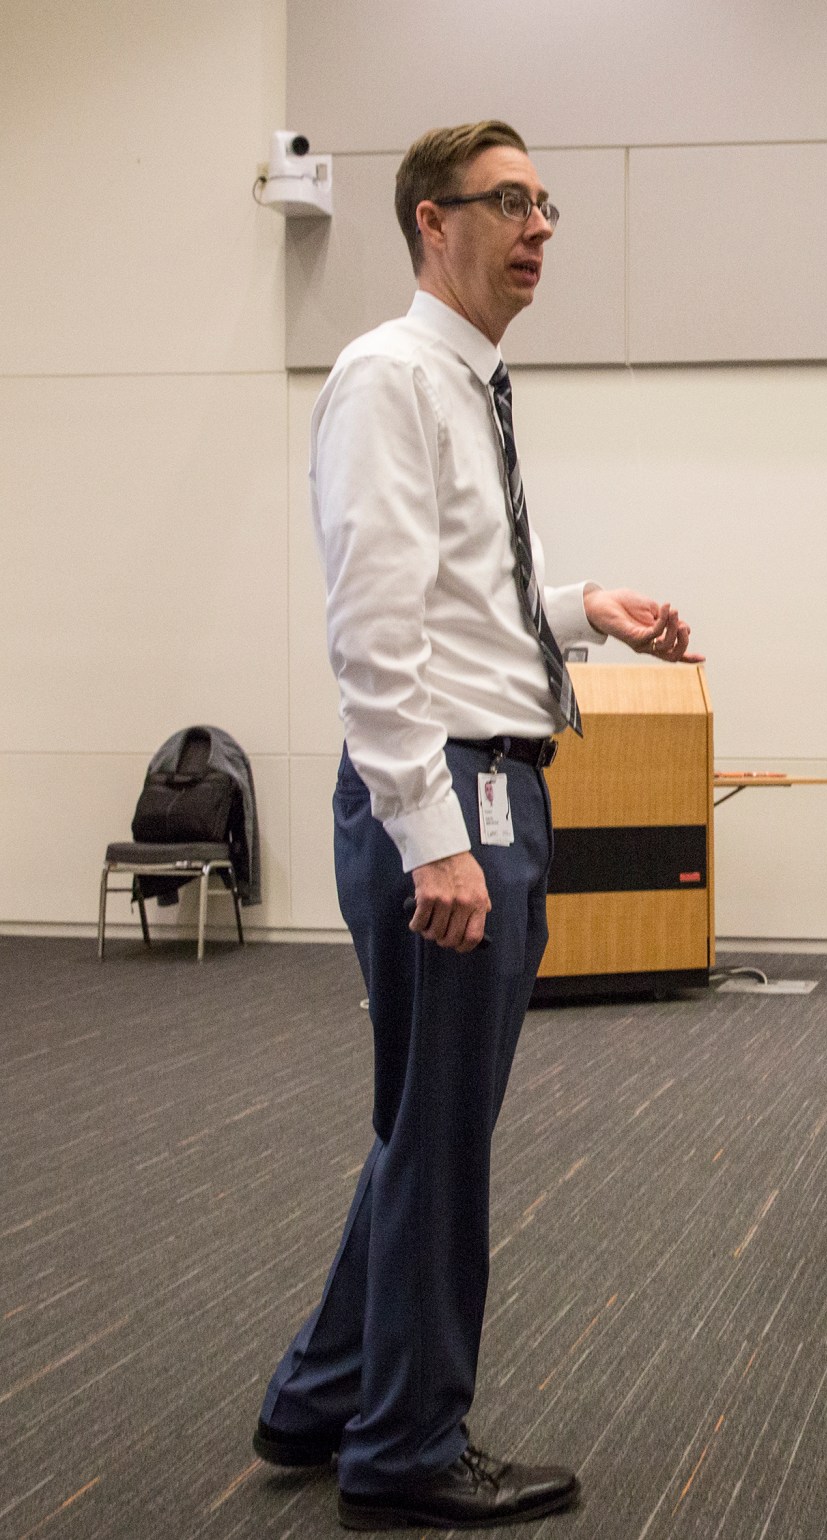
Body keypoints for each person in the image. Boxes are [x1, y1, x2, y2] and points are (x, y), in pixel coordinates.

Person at [252, 121, 700, 1530]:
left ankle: (323, 1396)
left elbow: (465, 601)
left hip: (491, 774)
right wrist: (432, 833)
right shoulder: (390, 380)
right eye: (509, 204)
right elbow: (375, 634)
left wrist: (584, 614)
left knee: (422, 1124)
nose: (540, 227)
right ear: (430, 224)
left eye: (545, 204)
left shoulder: (471, 388)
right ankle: (405, 1452)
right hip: (448, 791)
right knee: (440, 1139)